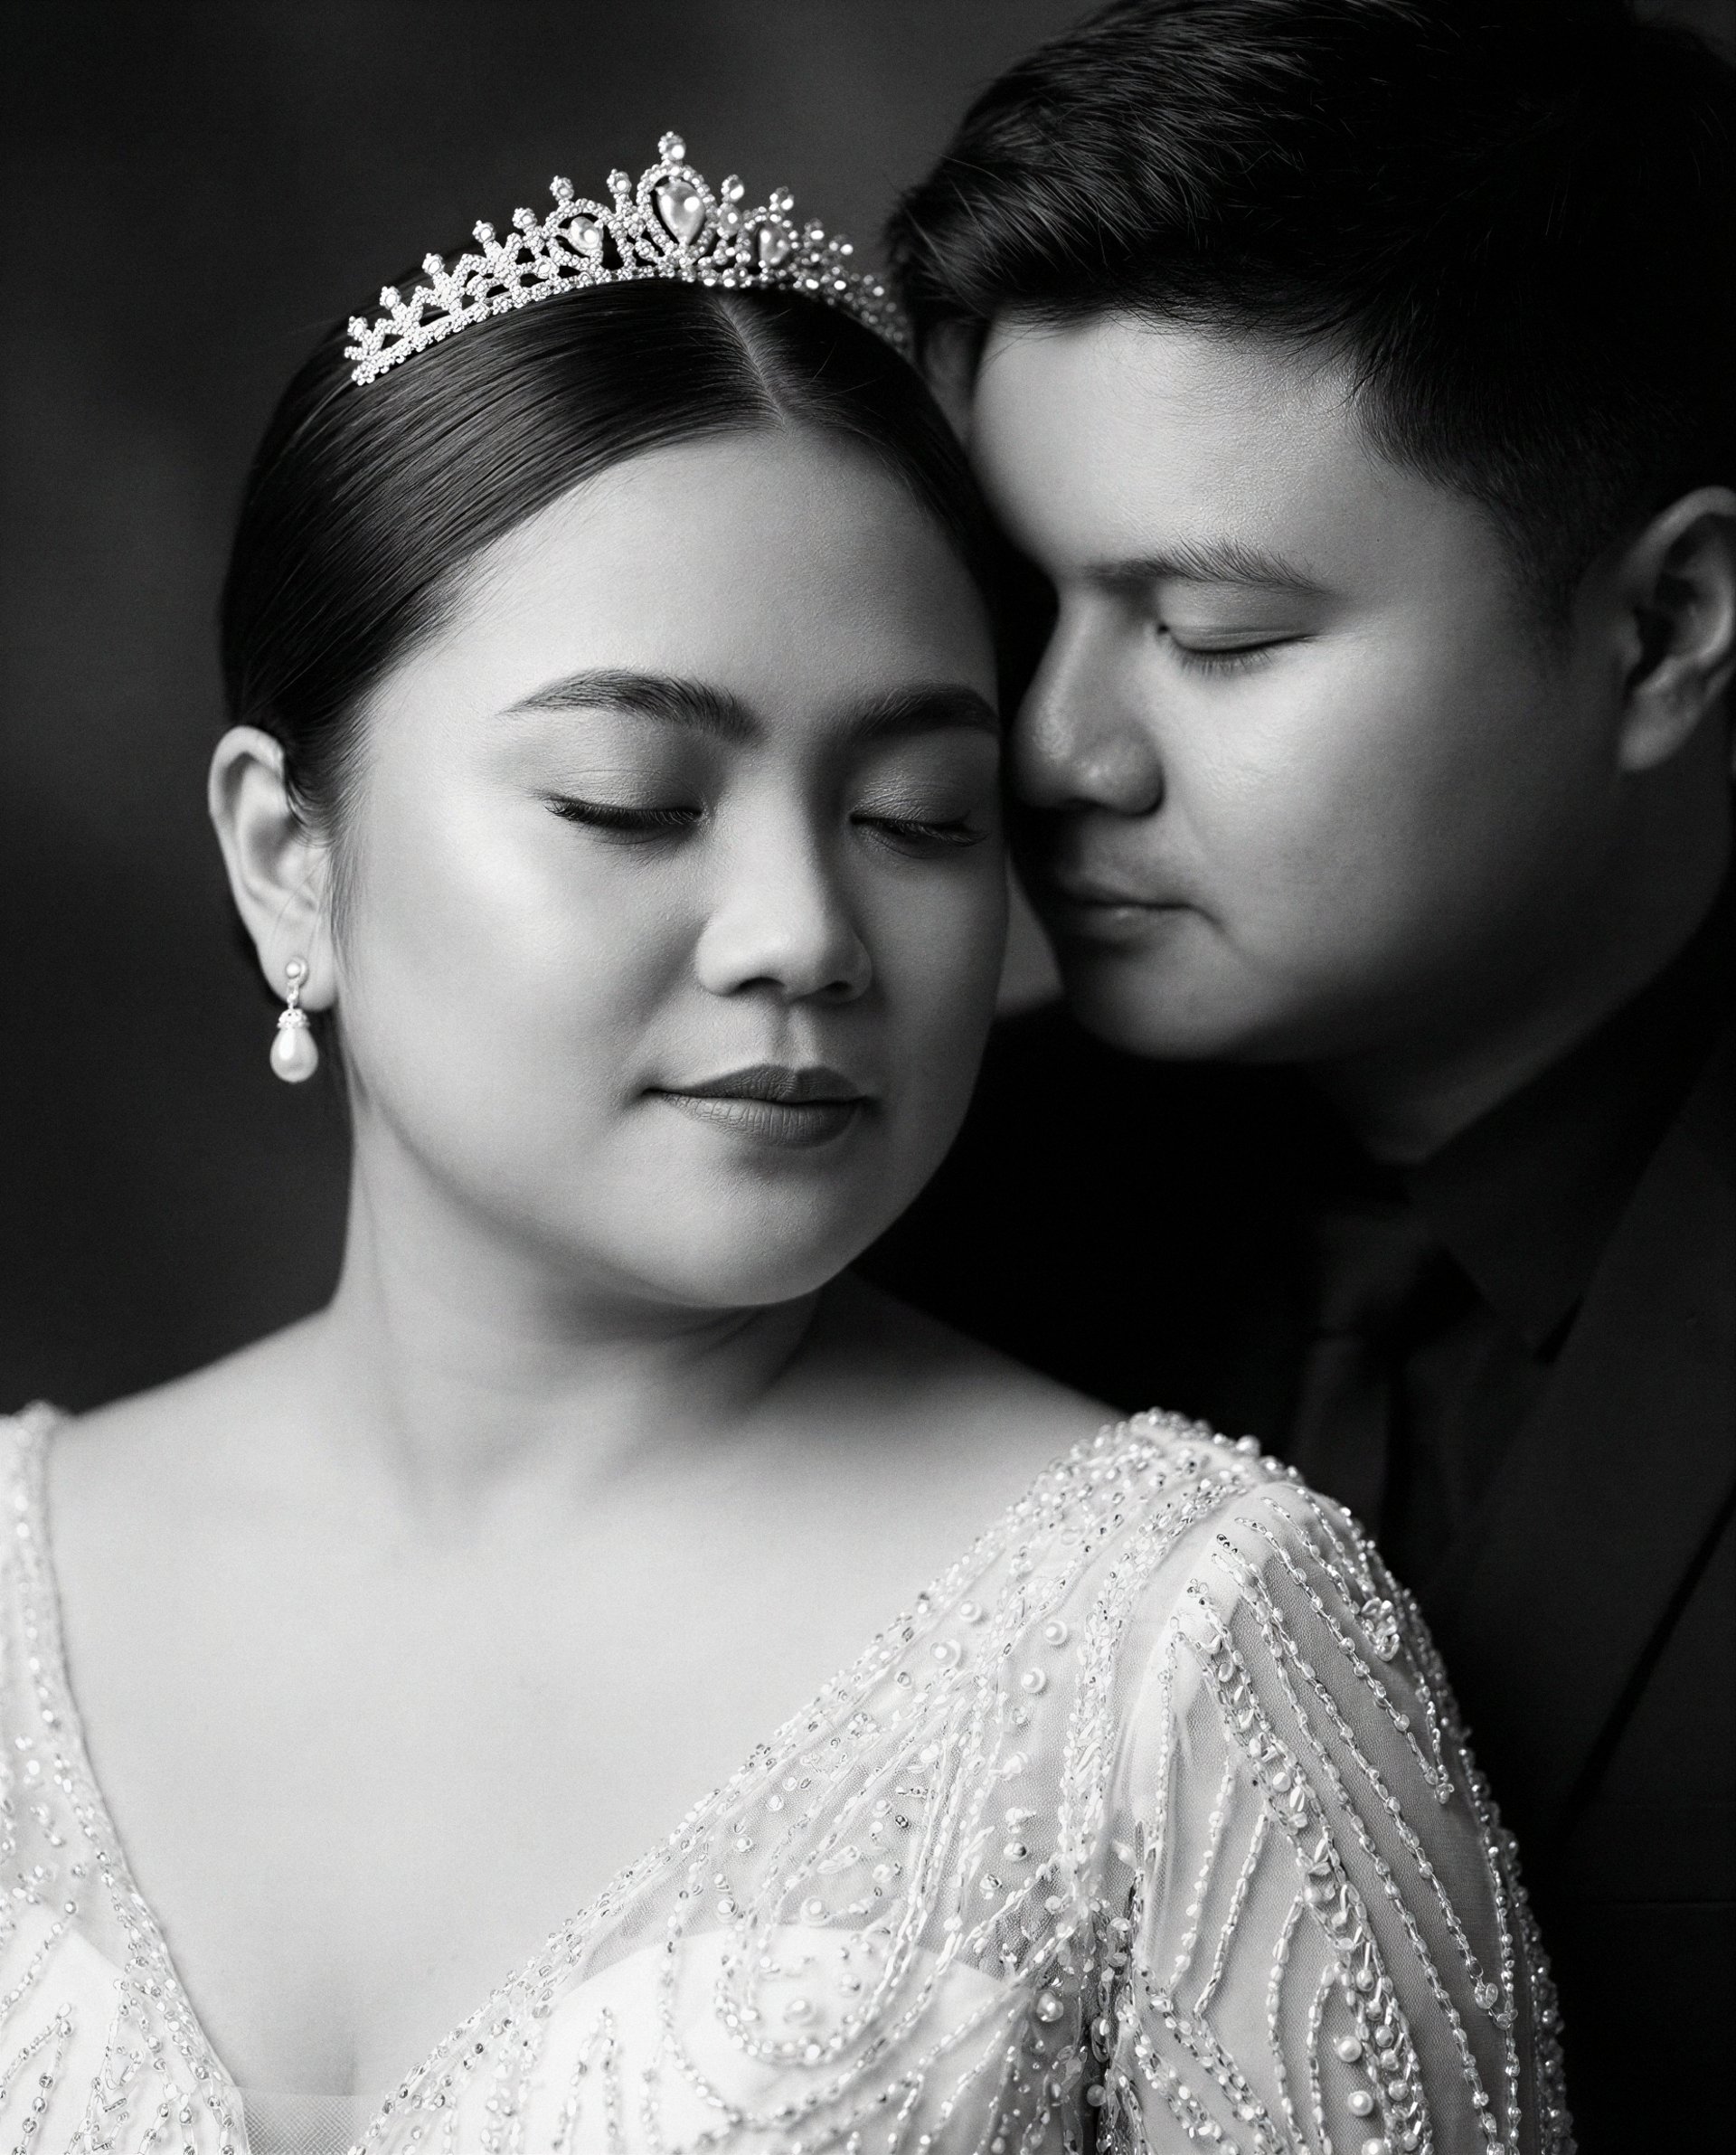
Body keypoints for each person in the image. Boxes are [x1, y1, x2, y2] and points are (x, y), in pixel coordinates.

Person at [0, 135, 1567, 2155]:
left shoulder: (1186, 1660)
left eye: (917, 816)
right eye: (634, 798)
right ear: (289, 857)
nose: (807, 936)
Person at [863, 2, 1736, 2147]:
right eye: (1022, 605)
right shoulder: (899, 1216)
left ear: (1666, 627)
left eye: (1221, 638)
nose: (1060, 750)